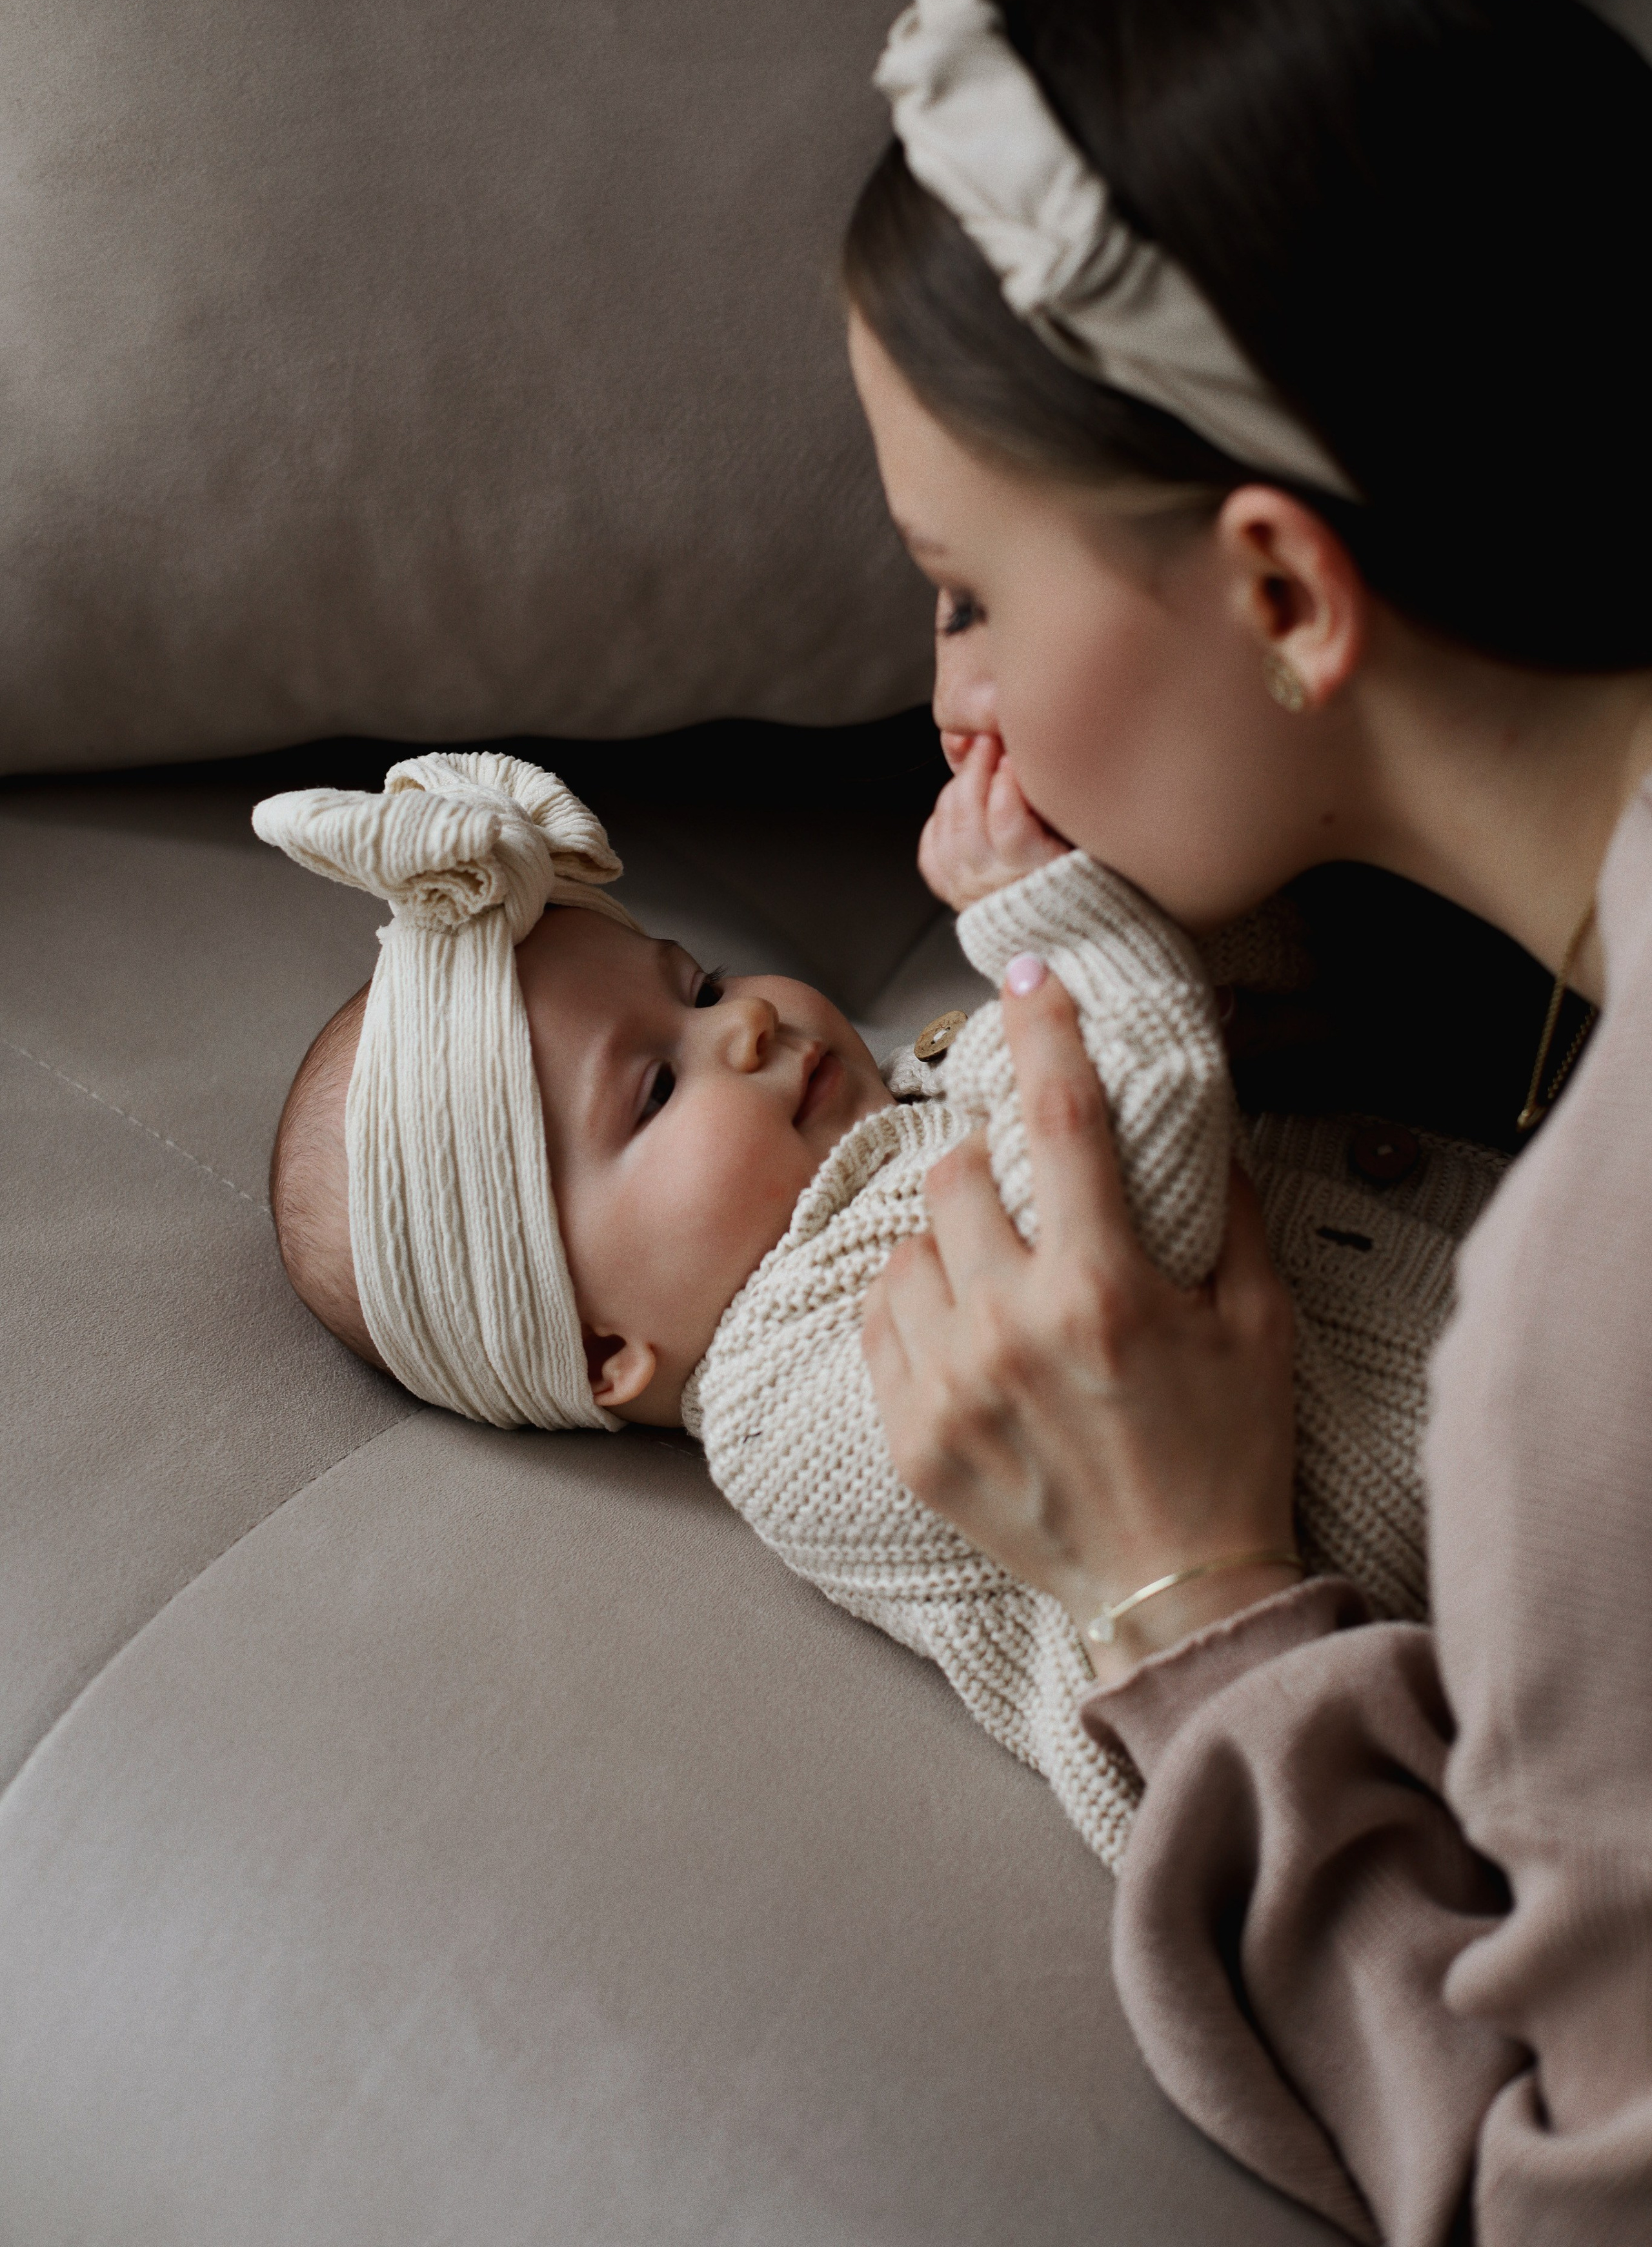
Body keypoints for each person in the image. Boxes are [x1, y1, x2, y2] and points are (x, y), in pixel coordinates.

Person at [844, 0, 1652, 2242]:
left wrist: (1184, 1602)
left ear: (1288, 593)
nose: (951, 703)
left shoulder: (1586, 1347)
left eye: (965, 588)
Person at [254, 735, 1489, 1872]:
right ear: (602, 1349)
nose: (741, 1025)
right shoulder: (797, 1399)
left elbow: (1216, 1021)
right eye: (653, 1094)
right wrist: (1059, 930)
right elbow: (1114, 1235)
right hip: (1440, 1616)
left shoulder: (899, 1096)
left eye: (699, 985)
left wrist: (1148, 852)